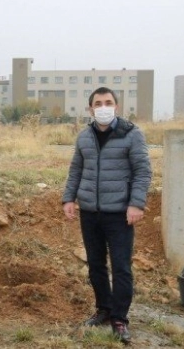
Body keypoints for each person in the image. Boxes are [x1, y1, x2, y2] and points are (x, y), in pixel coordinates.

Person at [62, 86, 152, 344]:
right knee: (96, 265)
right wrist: (69, 198)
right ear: (90, 109)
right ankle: (104, 309)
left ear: (116, 106)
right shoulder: (84, 136)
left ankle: (120, 319)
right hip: (90, 212)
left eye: (108, 102)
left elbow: (143, 172)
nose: (103, 107)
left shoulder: (132, 134)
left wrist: (136, 204)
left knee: (121, 267)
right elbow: (76, 170)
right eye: (98, 103)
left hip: (120, 213)